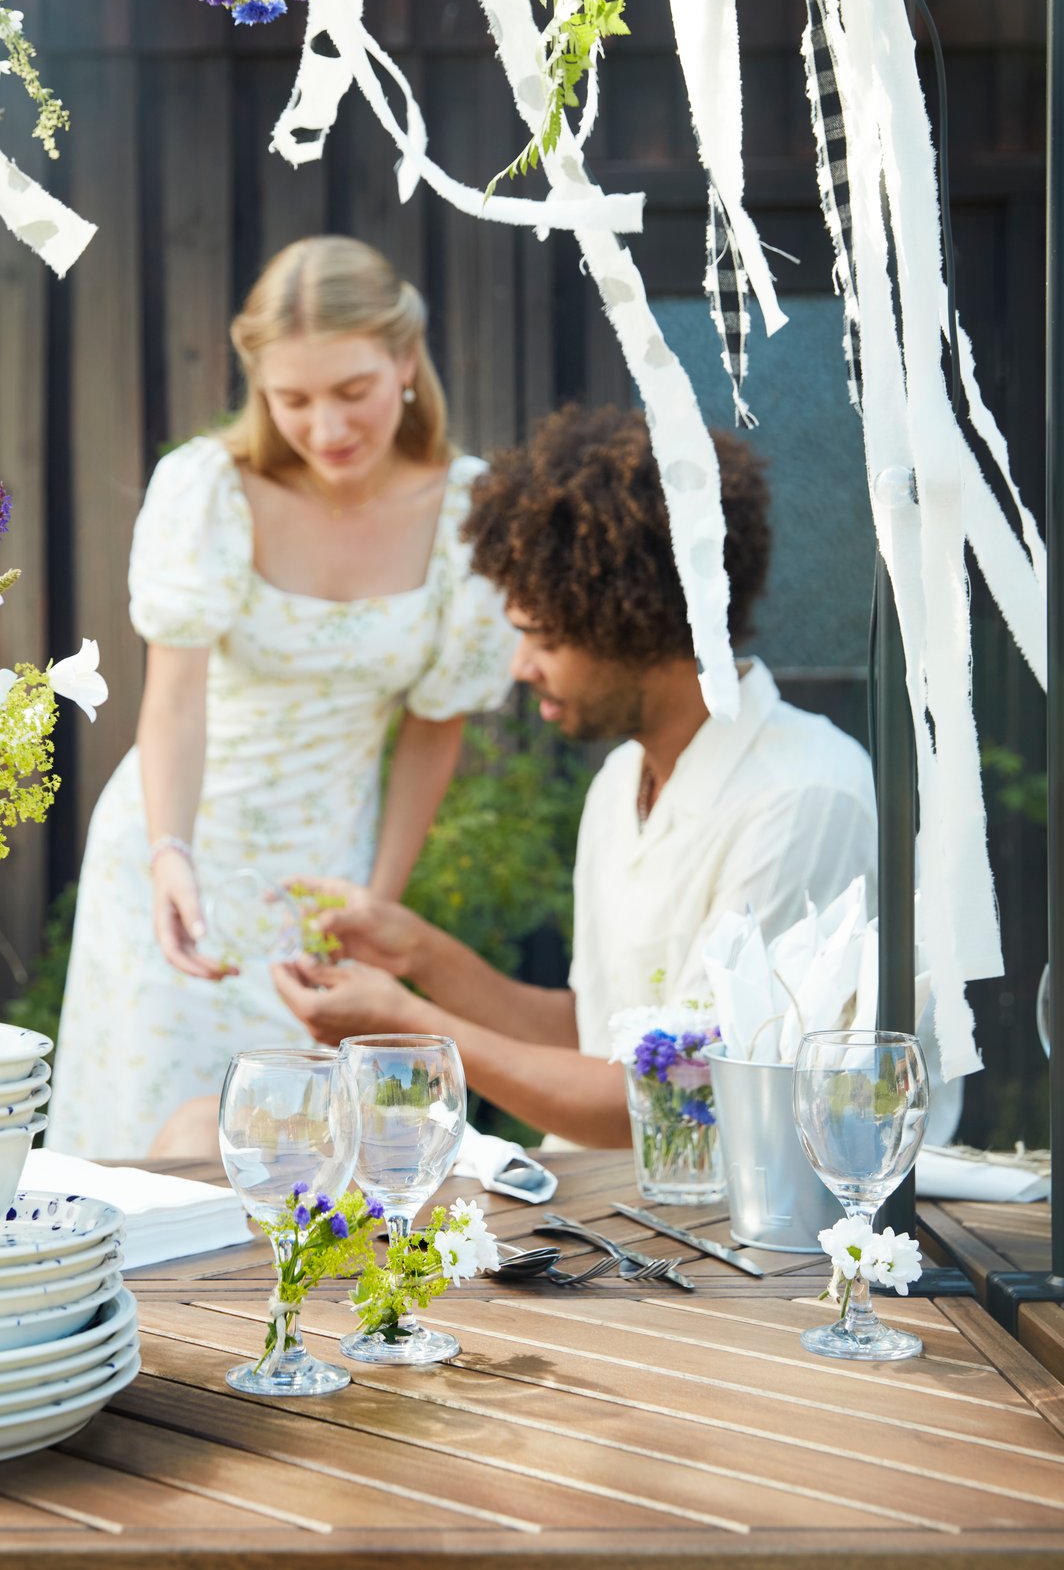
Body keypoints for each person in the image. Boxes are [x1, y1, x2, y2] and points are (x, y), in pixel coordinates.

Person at [272, 404, 878, 1147]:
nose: (520, 668)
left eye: (545, 639)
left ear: (640, 620)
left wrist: (404, 1024)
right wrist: (418, 954)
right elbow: (598, 1039)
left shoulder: (803, 798)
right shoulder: (623, 781)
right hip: (607, 1203)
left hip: (723, 1231)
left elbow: (683, 1098)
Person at [45, 236, 517, 1158]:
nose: (327, 427)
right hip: (180, 862)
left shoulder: (467, 511)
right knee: (158, 1155)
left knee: (302, 1159)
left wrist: (376, 906)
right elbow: (175, 701)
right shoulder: (211, 491)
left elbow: (433, 729)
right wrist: (168, 854)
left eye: (352, 392)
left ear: (406, 361)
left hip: (328, 875)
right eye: (291, 399)